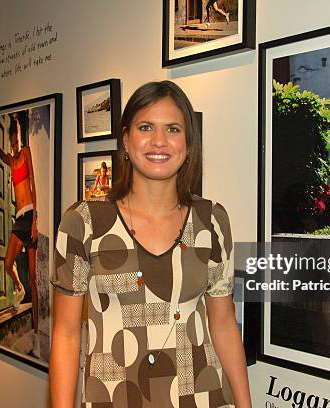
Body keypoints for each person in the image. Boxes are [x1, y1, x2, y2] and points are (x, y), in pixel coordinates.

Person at [50, 81, 250, 407]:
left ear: (188, 144)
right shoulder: (84, 223)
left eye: (173, 129)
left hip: (201, 396)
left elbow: (224, 324)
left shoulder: (211, 220)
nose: (159, 141)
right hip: (114, 398)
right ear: (126, 140)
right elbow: (66, 334)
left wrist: (245, 404)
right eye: (146, 127)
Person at [0, 116, 41, 358]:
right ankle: (18, 287)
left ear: (21, 138)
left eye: (17, 139)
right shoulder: (10, 159)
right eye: (12, 141)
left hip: (30, 216)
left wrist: (37, 220)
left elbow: (34, 186)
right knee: (8, 264)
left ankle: (38, 328)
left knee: (33, 276)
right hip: (18, 218)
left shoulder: (27, 152)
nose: (15, 144)